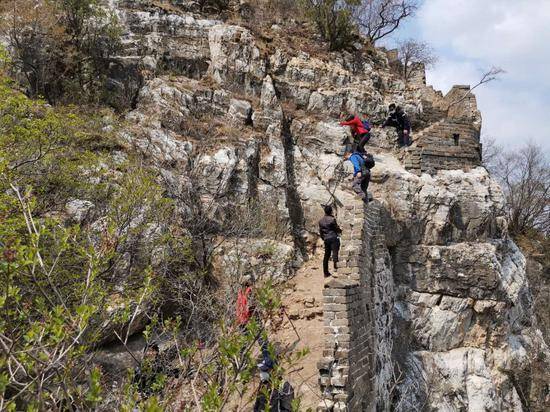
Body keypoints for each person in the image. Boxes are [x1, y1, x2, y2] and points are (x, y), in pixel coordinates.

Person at [236, 280, 275, 371]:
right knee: (262, 340)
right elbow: (253, 305)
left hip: (241, 320)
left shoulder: (240, 292)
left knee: (244, 342)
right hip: (252, 318)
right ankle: (268, 361)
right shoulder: (250, 292)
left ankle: (241, 366)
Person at [318, 205, 342, 278]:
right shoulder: (332, 219)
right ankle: (335, 269)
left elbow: (321, 232)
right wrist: (340, 231)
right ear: (331, 211)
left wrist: (323, 238)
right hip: (333, 238)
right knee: (335, 253)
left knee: (326, 255)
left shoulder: (320, 221)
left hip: (326, 239)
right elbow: (336, 228)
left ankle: (325, 272)